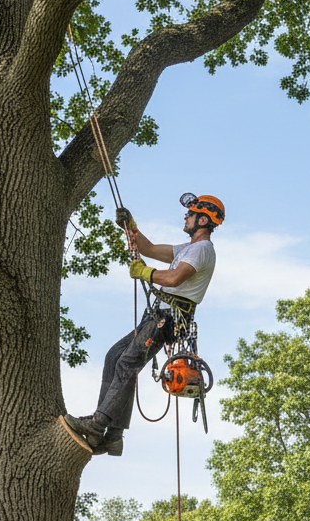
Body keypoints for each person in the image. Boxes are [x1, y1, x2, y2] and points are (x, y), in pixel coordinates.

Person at [63, 193, 223, 456]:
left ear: (203, 219)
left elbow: (174, 278)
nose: (186, 217)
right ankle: (113, 436)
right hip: (157, 315)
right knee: (115, 356)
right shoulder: (186, 248)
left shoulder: (202, 249)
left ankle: (97, 424)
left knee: (127, 363)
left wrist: (145, 272)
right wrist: (131, 227)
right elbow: (148, 249)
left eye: (191, 214)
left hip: (169, 318)